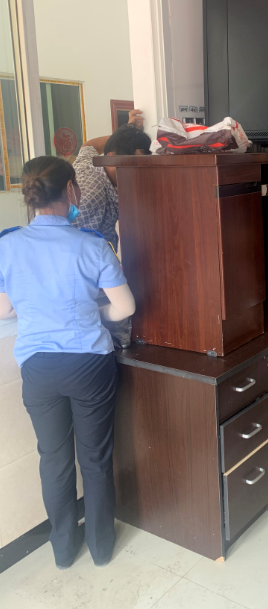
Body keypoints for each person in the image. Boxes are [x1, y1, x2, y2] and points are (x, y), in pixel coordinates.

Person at [0, 156, 135, 569]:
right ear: (71, 190)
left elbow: (4, 310)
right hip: (89, 364)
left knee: (53, 460)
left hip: (38, 368)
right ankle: (101, 548)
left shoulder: (7, 245)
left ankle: (62, 551)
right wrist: (92, 312)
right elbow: (125, 307)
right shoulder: (92, 245)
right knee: (94, 459)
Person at [72, 110, 151, 250]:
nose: (140, 171)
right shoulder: (91, 194)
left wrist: (126, 133)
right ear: (111, 157)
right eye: (135, 163)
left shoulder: (89, 163)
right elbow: (76, 244)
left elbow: (88, 146)